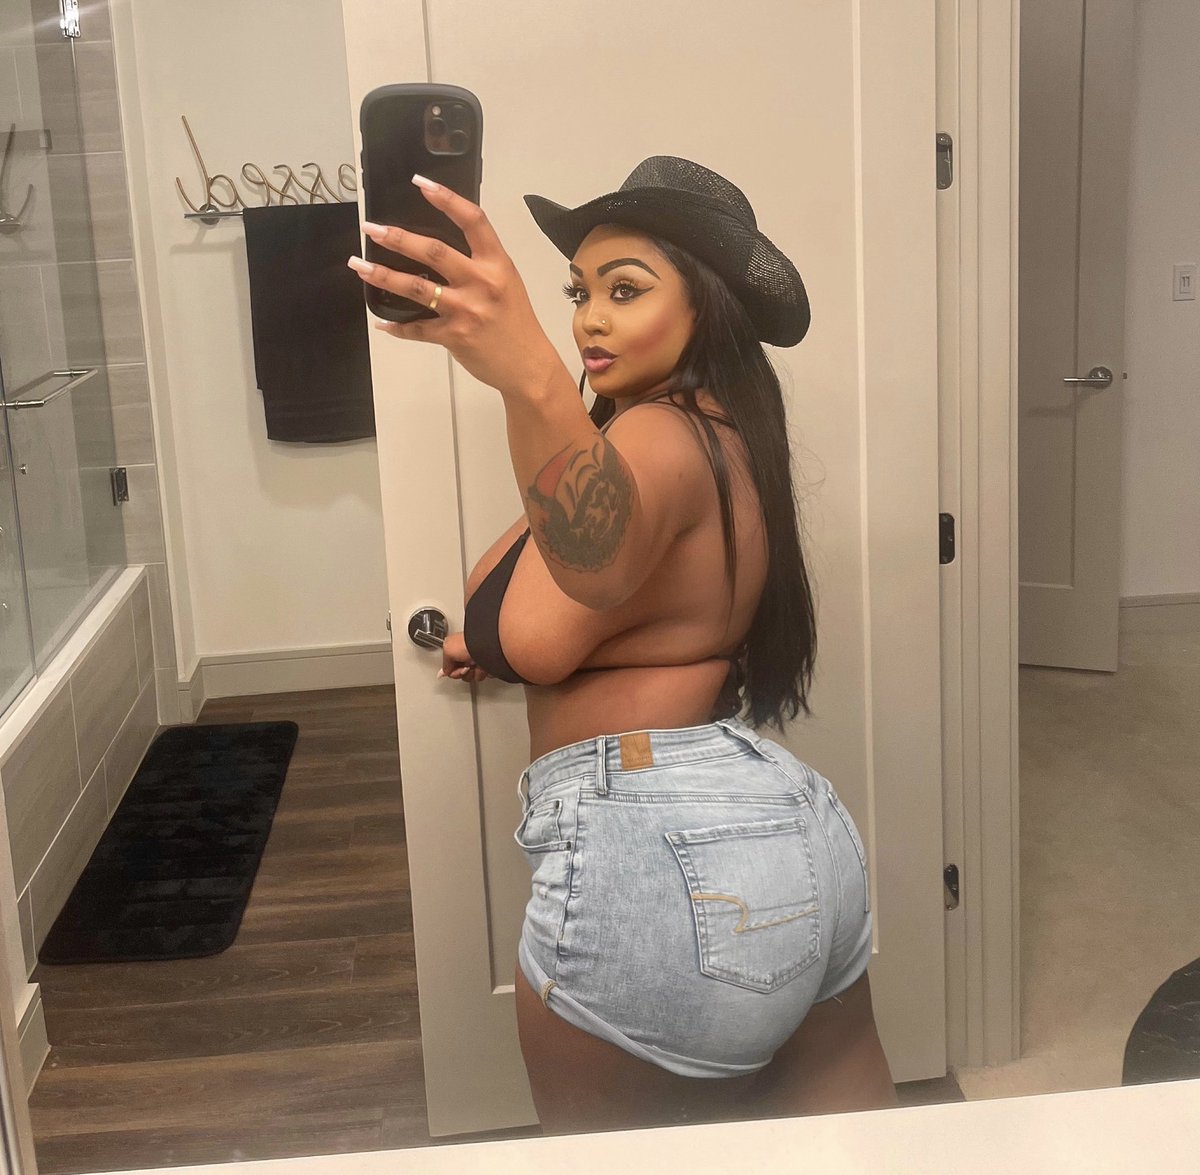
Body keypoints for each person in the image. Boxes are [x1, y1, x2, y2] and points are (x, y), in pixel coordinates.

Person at [348, 156, 897, 1133]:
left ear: (709, 307)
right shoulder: (722, 435)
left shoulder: (655, 436)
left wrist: (527, 372)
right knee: (862, 1148)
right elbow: (582, 599)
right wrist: (495, 636)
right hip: (790, 826)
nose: (589, 320)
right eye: (579, 293)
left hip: (654, 840)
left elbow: (582, 581)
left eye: (626, 289)